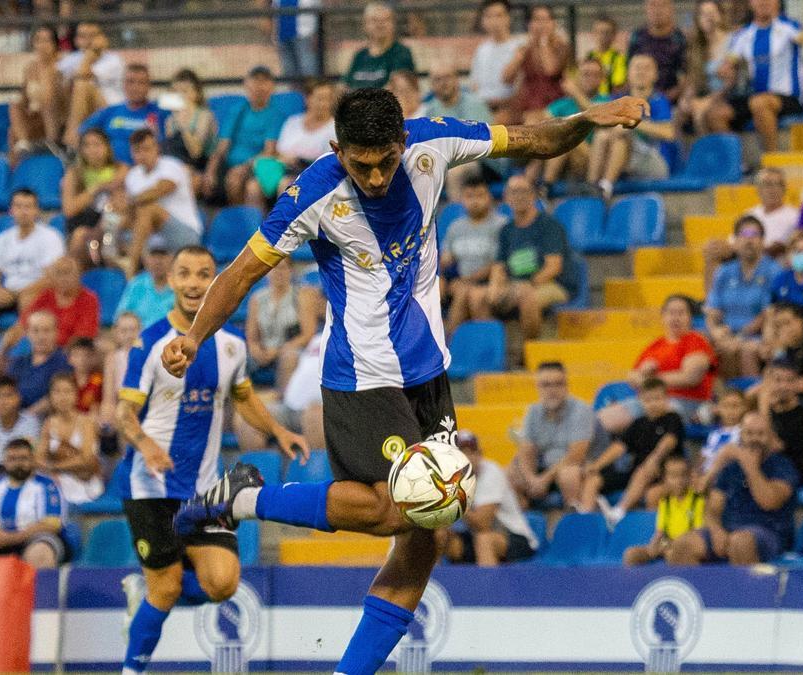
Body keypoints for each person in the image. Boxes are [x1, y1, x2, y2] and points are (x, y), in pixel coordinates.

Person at [162, 87, 648, 674]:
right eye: (360, 164)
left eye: (386, 161)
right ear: (339, 150)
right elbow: (240, 274)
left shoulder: (433, 144)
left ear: (402, 142)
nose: (373, 176)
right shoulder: (311, 194)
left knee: (428, 532)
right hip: (362, 375)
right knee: (395, 511)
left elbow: (532, 140)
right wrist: (194, 338)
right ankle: (241, 498)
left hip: (428, 371)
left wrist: (584, 120)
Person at [116, 246, 308, 675]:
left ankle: (143, 593)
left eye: (204, 275)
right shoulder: (149, 343)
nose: (193, 283)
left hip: (203, 491)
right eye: (184, 274)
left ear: (215, 282)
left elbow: (242, 396)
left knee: (223, 584)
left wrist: (279, 431)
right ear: (171, 282)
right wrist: (145, 444)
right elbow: (122, 413)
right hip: (150, 487)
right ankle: (131, 669)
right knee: (165, 590)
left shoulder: (231, 346)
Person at [666, 411, 799, 565]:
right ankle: (707, 589)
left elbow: (768, 501)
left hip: (769, 533)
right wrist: (716, 531)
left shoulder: (782, 466)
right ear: (741, 436)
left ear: (771, 437)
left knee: (740, 542)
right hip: (728, 530)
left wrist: (748, 464)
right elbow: (712, 510)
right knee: (683, 545)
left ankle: (748, 590)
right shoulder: (730, 469)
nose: (755, 439)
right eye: (749, 433)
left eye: (761, 434)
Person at [474, 175, 578, 341]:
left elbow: (553, 267)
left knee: (526, 296)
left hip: (553, 284)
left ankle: (529, 351)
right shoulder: (506, 230)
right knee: (478, 296)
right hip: (516, 285)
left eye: (524, 191)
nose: (519, 196)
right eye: (513, 192)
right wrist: (495, 287)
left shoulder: (549, 225)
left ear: (534, 195)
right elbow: (499, 266)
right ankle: (493, 349)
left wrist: (525, 286)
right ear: (506, 197)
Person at [720, 0, 803, 152]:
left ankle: (771, 163)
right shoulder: (743, 34)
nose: (763, 2)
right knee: (715, 113)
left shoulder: (789, 26)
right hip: (756, 97)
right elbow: (728, 64)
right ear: (751, 3)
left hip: (789, 98)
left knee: (760, 103)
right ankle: (737, 165)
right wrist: (725, 71)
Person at [586, 377, 685, 525]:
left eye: (657, 399)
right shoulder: (638, 423)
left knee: (646, 476)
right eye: (648, 400)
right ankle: (586, 518)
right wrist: (596, 466)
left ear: (666, 399)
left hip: (662, 472)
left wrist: (654, 459)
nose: (653, 404)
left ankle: (619, 512)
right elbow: (619, 447)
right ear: (640, 401)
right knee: (593, 479)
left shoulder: (672, 418)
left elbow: (669, 441)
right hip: (635, 473)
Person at [0, 190, 65, 329]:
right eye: (18, 206)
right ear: (11, 210)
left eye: (28, 207)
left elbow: (52, 277)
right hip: (7, 293)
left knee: (28, 301)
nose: (23, 211)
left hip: (34, 293)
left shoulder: (51, 237)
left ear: (37, 210)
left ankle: (26, 349)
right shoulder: (2, 238)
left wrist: (20, 293)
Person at [0, 257, 99, 378]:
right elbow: (20, 326)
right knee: (1, 365)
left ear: (78, 275)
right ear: (52, 278)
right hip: (44, 350)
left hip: (70, 353)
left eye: (67, 273)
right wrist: (1, 352)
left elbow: (83, 337)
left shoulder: (89, 299)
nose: (63, 279)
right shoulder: (46, 296)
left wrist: (53, 354)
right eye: (59, 273)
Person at [439, 431, 538, 566]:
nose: (467, 458)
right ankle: (432, 586)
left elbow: (483, 525)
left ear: (479, 454)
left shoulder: (491, 472)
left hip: (514, 537)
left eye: (471, 452)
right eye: (461, 453)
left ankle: (486, 587)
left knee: (484, 540)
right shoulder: (449, 477)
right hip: (473, 536)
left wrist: (454, 498)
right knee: (438, 537)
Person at [0, 439, 65, 570]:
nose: (18, 463)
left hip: (32, 539)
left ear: (33, 459)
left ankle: (38, 590)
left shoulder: (47, 485)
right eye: (12, 459)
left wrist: (11, 538)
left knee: (41, 552)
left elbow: (51, 524)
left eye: (23, 458)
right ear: (5, 462)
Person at [587, 54, 675, 199]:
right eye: (637, 68)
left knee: (622, 133)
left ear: (655, 75)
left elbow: (668, 133)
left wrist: (634, 122)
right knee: (602, 135)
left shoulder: (659, 100)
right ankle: (590, 186)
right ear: (628, 73)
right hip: (625, 159)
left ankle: (605, 188)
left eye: (647, 68)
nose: (641, 72)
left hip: (655, 163)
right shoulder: (619, 99)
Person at [509, 362, 595, 510]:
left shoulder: (581, 409)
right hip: (543, 469)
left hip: (576, 468)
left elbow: (576, 455)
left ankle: (572, 520)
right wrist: (531, 479)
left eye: (558, 384)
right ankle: (524, 524)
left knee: (569, 474)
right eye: (546, 385)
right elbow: (526, 449)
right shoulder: (533, 411)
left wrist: (544, 479)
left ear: (566, 386)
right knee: (509, 473)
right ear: (538, 387)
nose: (552, 390)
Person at [705, 215, 782, 376]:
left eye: (755, 235)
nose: (749, 240)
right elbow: (712, 311)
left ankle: (748, 396)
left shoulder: (774, 271)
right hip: (727, 334)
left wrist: (738, 338)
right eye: (744, 235)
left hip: (758, 335)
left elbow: (768, 312)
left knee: (746, 350)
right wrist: (716, 332)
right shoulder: (725, 271)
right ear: (735, 241)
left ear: (763, 241)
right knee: (703, 346)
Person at [122, 129, 203, 275]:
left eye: (147, 149)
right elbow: (131, 212)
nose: (143, 155)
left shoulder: (171, 165)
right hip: (153, 237)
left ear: (157, 148)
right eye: (137, 150)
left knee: (149, 208)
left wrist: (130, 201)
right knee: (115, 226)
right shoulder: (132, 176)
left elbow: (163, 188)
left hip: (185, 234)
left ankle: (130, 270)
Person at [625, 295, 717, 423]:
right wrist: (643, 372)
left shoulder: (697, 341)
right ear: (663, 317)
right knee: (607, 417)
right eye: (671, 313)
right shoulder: (655, 345)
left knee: (661, 414)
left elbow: (690, 378)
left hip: (685, 401)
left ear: (690, 318)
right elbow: (631, 376)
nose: (675, 318)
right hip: (648, 400)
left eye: (681, 313)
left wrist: (650, 379)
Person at [204, 66, 286, 207]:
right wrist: (210, 171)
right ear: (247, 85)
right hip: (229, 165)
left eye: (263, 82)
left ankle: (245, 223)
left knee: (235, 181)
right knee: (205, 182)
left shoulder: (275, 114)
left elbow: (269, 151)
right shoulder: (238, 109)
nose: (258, 87)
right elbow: (222, 146)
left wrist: (243, 168)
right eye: (254, 82)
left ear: (271, 87)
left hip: (256, 166)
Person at [443, 177, 507, 336]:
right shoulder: (455, 227)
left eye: (480, 195)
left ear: (489, 198)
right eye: (469, 196)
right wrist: (444, 279)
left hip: (491, 283)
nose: (475, 201)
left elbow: (498, 263)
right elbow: (445, 260)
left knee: (465, 293)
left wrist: (466, 281)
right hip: (462, 282)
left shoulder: (502, 225)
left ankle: (449, 346)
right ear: (462, 199)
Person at [246, 257, 319, 389]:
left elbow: (308, 334)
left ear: (291, 271)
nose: (277, 272)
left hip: (292, 348)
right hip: (264, 350)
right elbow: (252, 337)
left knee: (290, 357)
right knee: (238, 355)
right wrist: (256, 350)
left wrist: (278, 351)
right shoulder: (256, 298)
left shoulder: (302, 295)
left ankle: (285, 403)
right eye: (273, 268)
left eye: (283, 268)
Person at [61, 128, 127, 266]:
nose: (92, 149)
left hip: (109, 224)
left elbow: (118, 188)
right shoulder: (74, 174)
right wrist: (96, 188)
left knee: (117, 202)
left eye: (97, 144)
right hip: (83, 223)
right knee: (80, 235)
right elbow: (69, 209)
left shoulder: (120, 169)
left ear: (107, 147)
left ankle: (110, 255)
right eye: (87, 145)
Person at [539, 58, 610, 185]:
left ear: (601, 79)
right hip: (565, 161)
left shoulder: (607, 101)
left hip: (593, 159)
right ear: (577, 77)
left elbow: (598, 116)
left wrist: (575, 93)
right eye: (586, 74)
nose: (590, 78)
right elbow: (541, 123)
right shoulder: (563, 103)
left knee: (566, 135)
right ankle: (542, 187)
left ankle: (545, 186)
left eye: (595, 75)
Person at [623, 455, 704, 566]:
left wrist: (671, 545)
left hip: (684, 547)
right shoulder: (665, 502)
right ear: (665, 479)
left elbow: (698, 532)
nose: (679, 481)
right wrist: (652, 548)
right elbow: (660, 532)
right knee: (631, 554)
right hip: (666, 545)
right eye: (674, 476)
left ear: (689, 476)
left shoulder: (697, 501)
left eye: (683, 475)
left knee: (674, 554)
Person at [77, 64, 165, 166]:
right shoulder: (110, 111)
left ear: (149, 86)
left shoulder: (159, 112)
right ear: (123, 84)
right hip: (109, 170)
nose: (135, 87)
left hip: (142, 172)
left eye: (141, 83)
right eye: (130, 82)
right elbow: (81, 133)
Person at [36, 372, 102, 505]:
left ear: (76, 395)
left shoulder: (87, 422)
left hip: (85, 483)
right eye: (57, 392)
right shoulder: (48, 423)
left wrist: (54, 466)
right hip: (58, 482)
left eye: (67, 391)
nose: (62, 397)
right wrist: (60, 468)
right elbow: (39, 459)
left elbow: (87, 459)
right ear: (51, 396)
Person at [757, 303, 803, 420]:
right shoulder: (783, 348)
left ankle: (765, 429)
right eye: (779, 325)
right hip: (781, 398)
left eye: (787, 323)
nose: (783, 329)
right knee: (750, 397)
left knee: (766, 394)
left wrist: (779, 387)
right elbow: (769, 377)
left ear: (801, 322)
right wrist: (779, 351)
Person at [61, 21, 125, 148]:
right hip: (80, 110)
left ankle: (72, 141)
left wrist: (92, 53)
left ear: (102, 38)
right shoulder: (70, 59)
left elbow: (83, 74)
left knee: (82, 84)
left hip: (110, 110)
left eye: (93, 36)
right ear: (76, 40)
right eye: (83, 36)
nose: (89, 40)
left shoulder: (113, 60)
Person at [8, 24, 66, 161]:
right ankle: (23, 147)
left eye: (47, 41)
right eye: (38, 40)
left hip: (57, 116)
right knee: (14, 107)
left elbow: (63, 98)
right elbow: (24, 99)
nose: (42, 45)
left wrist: (47, 73)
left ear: (55, 44)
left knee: (47, 102)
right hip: (35, 116)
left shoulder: (62, 65)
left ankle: (53, 145)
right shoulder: (30, 68)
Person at [504, 4, 569, 124]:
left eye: (545, 20)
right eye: (537, 20)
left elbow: (550, 70)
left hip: (553, 104)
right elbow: (506, 79)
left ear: (553, 23)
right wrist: (519, 57)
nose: (542, 24)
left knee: (532, 121)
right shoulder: (525, 48)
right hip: (527, 103)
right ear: (529, 24)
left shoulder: (560, 46)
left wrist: (543, 43)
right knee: (500, 120)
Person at [678, 0, 731, 135]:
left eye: (712, 13)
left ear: (721, 15)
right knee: (678, 114)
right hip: (707, 96)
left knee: (701, 112)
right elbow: (694, 81)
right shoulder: (698, 48)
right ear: (698, 20)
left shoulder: (731, 42)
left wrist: (707, 101)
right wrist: (686, 99)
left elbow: (732, 82)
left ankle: (720, 154)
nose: (708, 18)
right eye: (703, 14)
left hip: (728, 97)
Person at [6, 311, 72, 414]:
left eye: (46, 331)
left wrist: (26, 418)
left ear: (56, 332)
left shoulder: (64, 363)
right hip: (16, 419)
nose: (41, 336)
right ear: (27, 333)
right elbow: (6, 391)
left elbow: (56, 397)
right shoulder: (18, 362)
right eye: (35, 331)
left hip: (47, 420)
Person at [470, 0, 524, 124]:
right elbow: (474, 85)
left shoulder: (520, 47)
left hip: (508, 109)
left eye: (499, 15)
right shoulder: (481, 49)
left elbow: (521, 87)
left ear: (508, 18)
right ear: (483, 20)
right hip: (481, 108)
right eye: (489, 16)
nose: (494, 21)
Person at [344, 2, 415, 91]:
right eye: (374, 20)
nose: (380, 25)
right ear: (365, 25)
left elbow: (396, 88)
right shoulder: (359, 55)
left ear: (394, 24)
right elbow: (344, 86)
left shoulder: (401, 53)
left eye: (385, 20)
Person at [628, 0, 689, 102]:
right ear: (646, 9)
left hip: (672, 100)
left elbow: (686, 77)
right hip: (639, 98)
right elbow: (630, 70)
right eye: (652, 5)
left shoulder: (680, 40)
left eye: (662, 5)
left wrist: (663, 99)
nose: (657, 10)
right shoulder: (637, 37)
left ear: (671, 9)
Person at [162, 69, 218, 175]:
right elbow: (172, 152)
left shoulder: (205, 116)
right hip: (181, 166)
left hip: (203, 166)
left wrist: (183, 126)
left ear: (196, 94)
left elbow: (196, 152)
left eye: (184, 91)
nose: (180, 96)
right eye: (175, 91)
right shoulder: (170, 120)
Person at [277, 79, 338, 175]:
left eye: (328, 99)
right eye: (320, 98)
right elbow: (280, 152)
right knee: (254, 184)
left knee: (287, 183)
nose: (324, 104)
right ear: (307, 99)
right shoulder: (292, 121)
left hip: (316, 175)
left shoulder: (336, 127)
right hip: (285, 169)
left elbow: (330, 161)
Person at [116, 236, 176, 328]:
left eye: (162, 255)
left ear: (172, 258)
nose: (158, 261)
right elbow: (121, 318)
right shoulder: (136, 284)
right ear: (145, 259)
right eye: (153, 255)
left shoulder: (179, 286)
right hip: (138, 339)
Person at [260, 0, 321, 82]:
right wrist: (272, 32)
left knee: (308, 71)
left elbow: (319, 9)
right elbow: (272, 9)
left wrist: (316, 33)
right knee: (289, 72)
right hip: (282, 35)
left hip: (304, 35)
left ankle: (310, 93)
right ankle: (294, 93)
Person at [424, 61, 492, 123]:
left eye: (447, 77)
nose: (443, 83)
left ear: (457, 79)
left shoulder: (475, 105)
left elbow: (485, 134)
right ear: (431, 84)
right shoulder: (430, 110)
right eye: (437, 79)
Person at [698, 389, 747, 475]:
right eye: (726, 406)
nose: (730, 411)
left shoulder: (745, 432)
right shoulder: (713, 434)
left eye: (735, 406)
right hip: (706, 475)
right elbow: (703, 458)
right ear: (718, 408)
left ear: (745, 408)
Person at [586, 14, 627, 97]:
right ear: (593, 33)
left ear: (614, 35)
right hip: (590, 98)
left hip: (610, 99)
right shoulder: (588, 56)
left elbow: (618, 85)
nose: (602, 36)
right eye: (599, 32)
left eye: (606, 32)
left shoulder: (619, 58)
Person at [68, 337, 104, 414]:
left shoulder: (100, 380)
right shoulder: (66, 381)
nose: (82, 359)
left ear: (94, 358)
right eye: (77, 355)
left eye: (87, 355)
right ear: (70, 359)